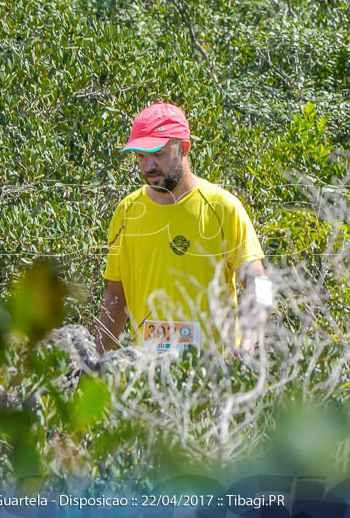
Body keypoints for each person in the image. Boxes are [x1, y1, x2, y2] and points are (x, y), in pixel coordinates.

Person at [95, 102, 273, 355]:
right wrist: (92, 360)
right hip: (146, 377)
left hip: (213, 377)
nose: (148, 166)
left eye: (158, 153)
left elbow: (260, 283)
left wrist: (249, 339)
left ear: (184, 148)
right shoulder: (127, 211)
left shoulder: (223, 208)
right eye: (141, 156)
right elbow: (116, 296)